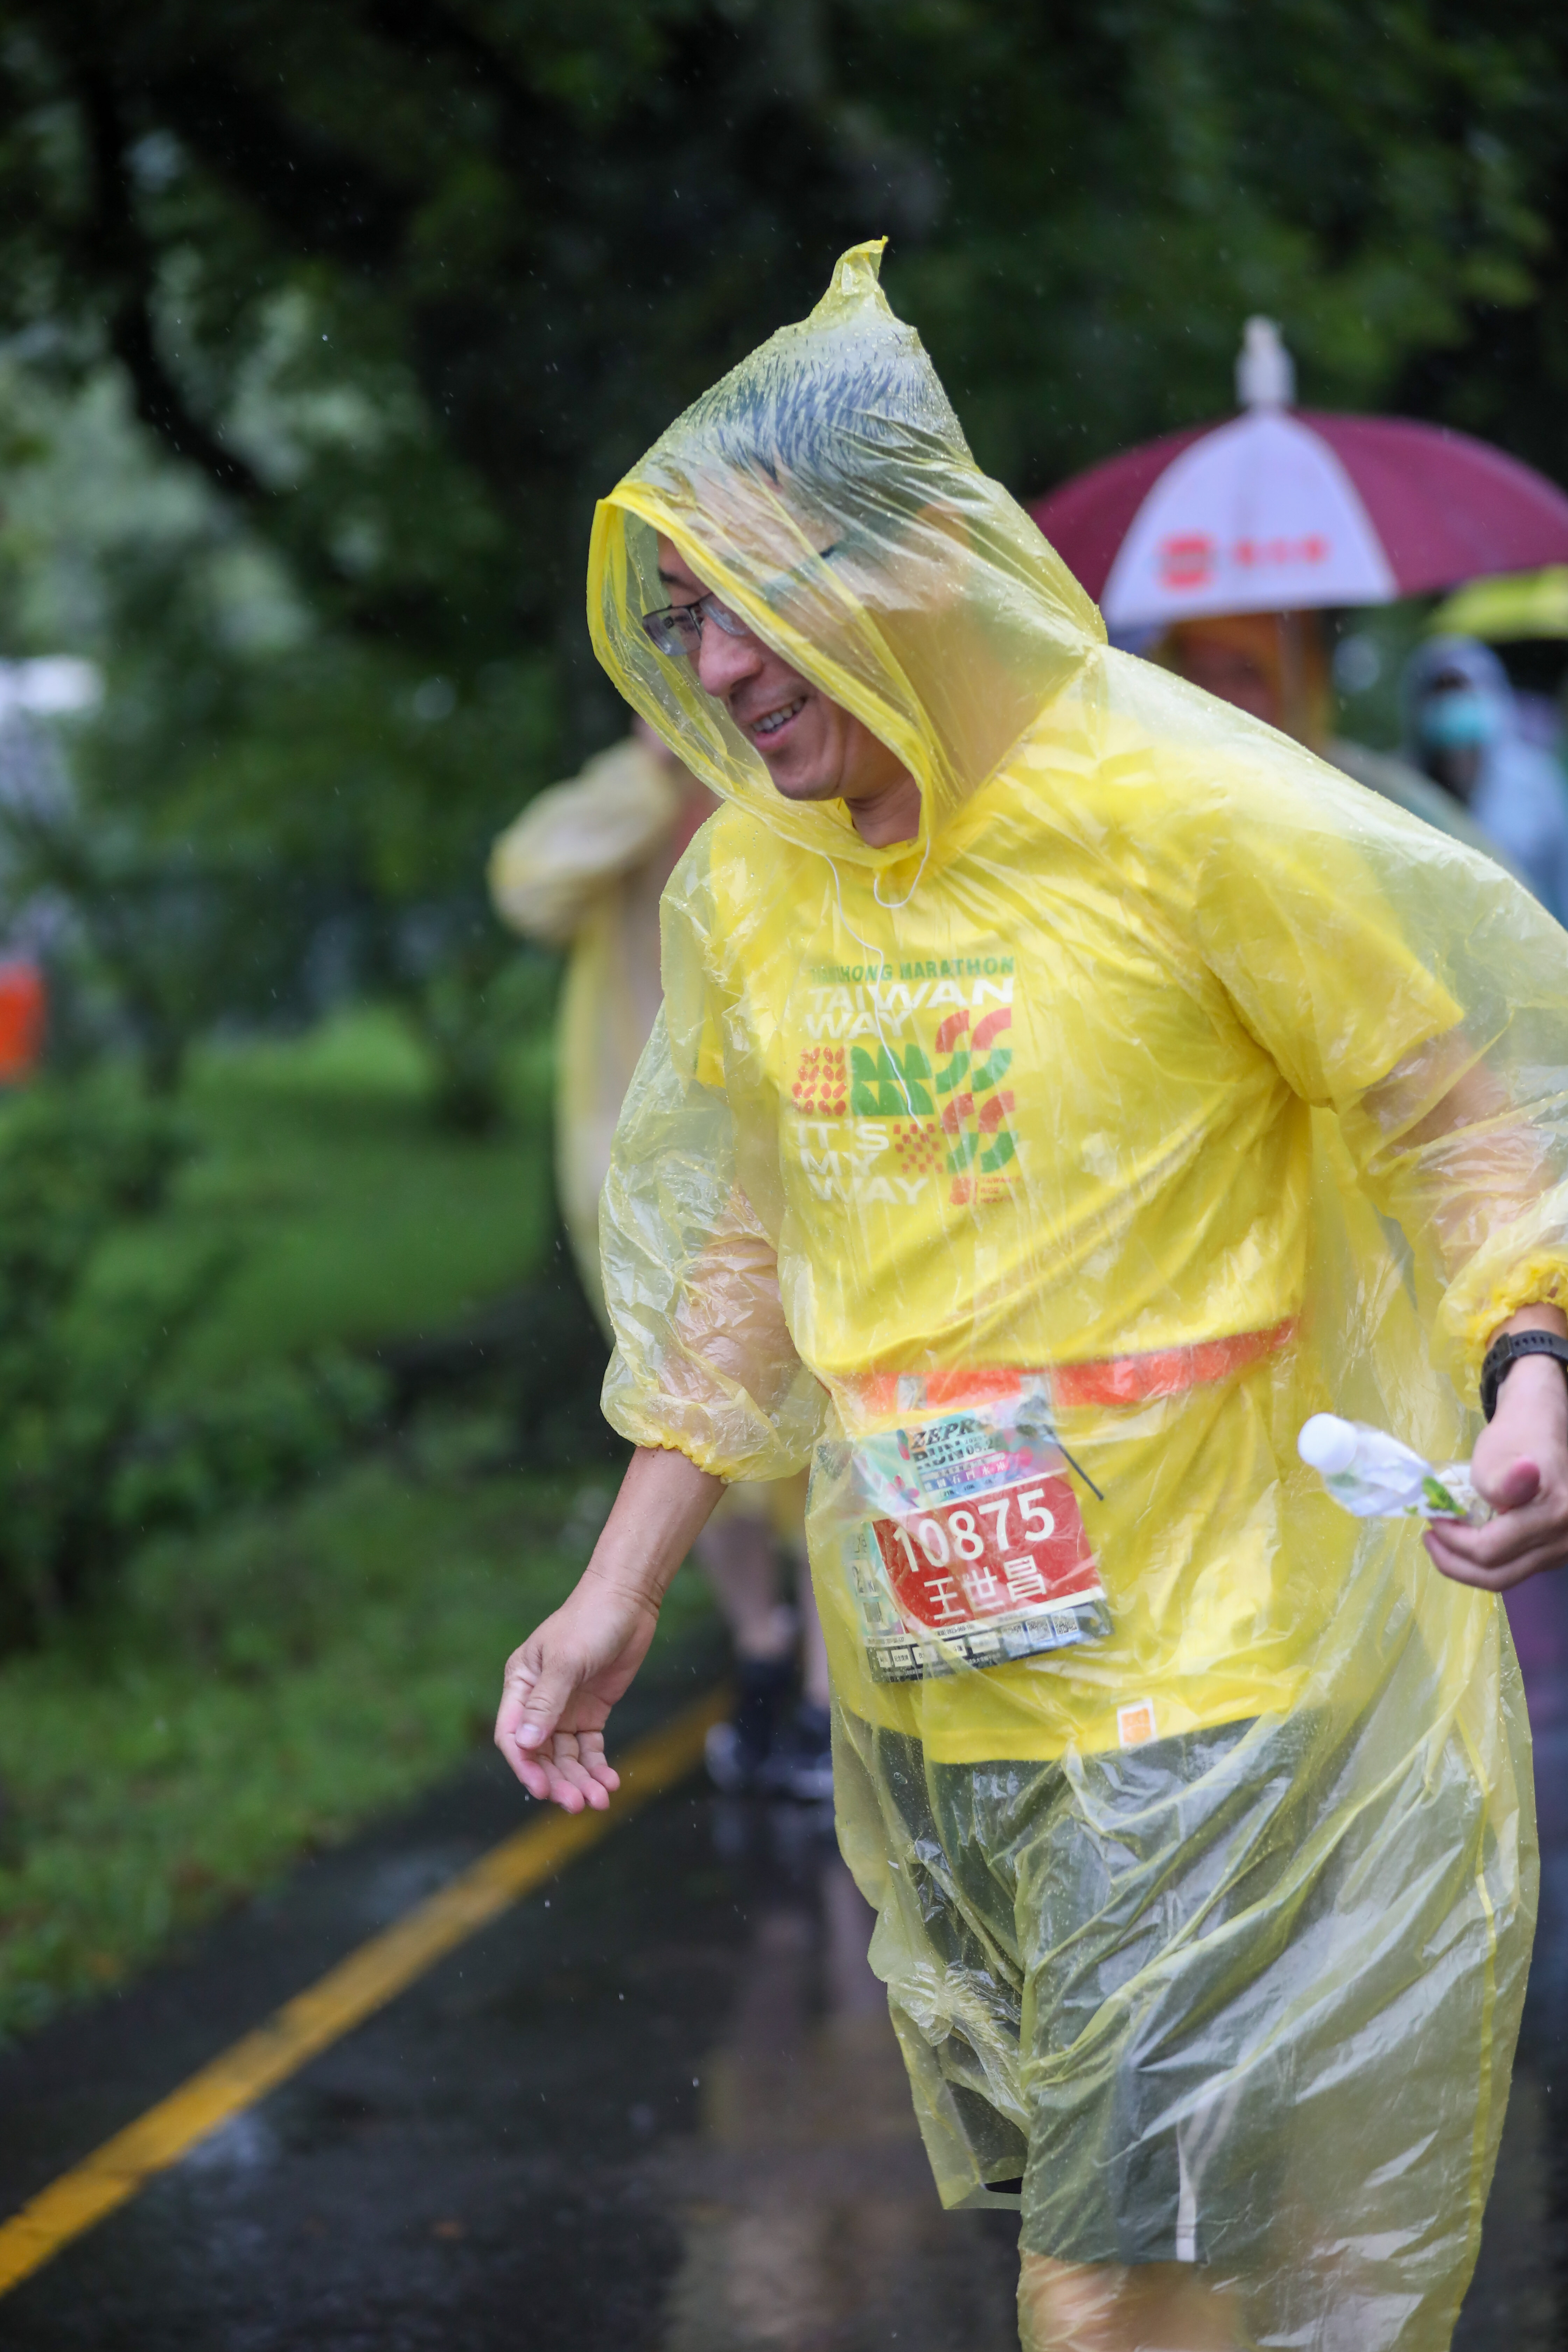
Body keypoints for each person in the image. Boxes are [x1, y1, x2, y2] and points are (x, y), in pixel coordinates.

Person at [493, 241, 1568, 2351]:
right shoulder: (755, 880)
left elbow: (1461, 1121)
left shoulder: (1182, 811)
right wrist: (620, 1587)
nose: (718, 665)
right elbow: (742, 1255)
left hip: (1207, 1674)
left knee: (1106, 2268)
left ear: (904, 573)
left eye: (753, 597)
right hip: (936, 1679)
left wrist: (1524, 1366)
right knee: (1152, 2239)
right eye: (683, 613)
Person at [489, 721, 832, 1799]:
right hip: (640, 1185)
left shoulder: (817, 780)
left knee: (829, 1435)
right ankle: (763, 1649)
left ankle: (829, 1702)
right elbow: (528, 885)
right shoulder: (636, 806)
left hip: (797, 1152)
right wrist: (649, 771)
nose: (721, 677)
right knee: (683, 1422)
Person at [1161, 608, 1516, 867]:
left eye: (1245, 674)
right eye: (1200, 673)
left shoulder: (1368, 799)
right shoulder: (1156, 793)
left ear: (1295, 683)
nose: (1219, 695)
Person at [1404, 634, 1568, 926]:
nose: (1452, 712)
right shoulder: (1403, 788)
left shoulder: (1536, 784)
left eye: (1463, 695)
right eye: (1441, 697)